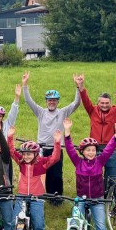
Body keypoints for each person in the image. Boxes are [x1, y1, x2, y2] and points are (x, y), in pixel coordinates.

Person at [62, 117, 116, 230]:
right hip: (81, 199)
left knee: (101, 228)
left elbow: (109, 149)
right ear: (82, 152)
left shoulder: (100, 161)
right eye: (88, 150)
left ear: (97, 152)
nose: (91, 152)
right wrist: (67, 132)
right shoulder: (78, 162)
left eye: (93, 150)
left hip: (97, 200)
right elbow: (69, 148)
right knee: (75, 224)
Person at [21, 70, 83, 198]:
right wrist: (25, 85)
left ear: (58, 102)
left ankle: (57, 196)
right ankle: (45, 195)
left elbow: (76, 103)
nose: (52, 102)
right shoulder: (40, 112)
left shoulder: (62, 112)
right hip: (41, 149)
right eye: (49, 100)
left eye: (54, 100)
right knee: (43, 172)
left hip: (56, 148)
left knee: (56, 174)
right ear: (46, 101)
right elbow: (28, 101)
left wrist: (78, 87)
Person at [7, 126, 61, 230]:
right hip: (21, 195)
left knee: (38, 224)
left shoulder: (42, 163)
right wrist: (10, 137)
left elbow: (55, 157)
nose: (26, 156)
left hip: (37, 197)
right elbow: (12, 151)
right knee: (14, 220)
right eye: (24, 154)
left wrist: (56, 142)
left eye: (29, 154)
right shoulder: (21, 162)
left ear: (36, 154)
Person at [79, 71, 116, 188]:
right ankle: (94, 196)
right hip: (94, 149)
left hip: (110, 148)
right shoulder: (92, 110)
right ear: (98, 103)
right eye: (102, 103)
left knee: (113, 176)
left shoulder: (115, 111)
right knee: (93, 174)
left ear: (111, 103)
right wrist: (81, 85)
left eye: (107, 103)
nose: (104, 105)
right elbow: (85, 99)